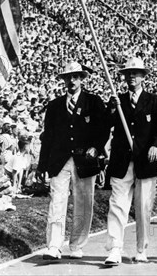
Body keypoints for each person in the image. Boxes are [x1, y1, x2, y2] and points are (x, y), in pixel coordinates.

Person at [37, 61, 109, 260]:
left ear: (82, 79)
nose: (72, 81)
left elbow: (103, 128)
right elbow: (48, 137)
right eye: (68, 77)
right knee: (57, 202)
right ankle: (53, 245)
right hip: (59, 160)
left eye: (75, 77)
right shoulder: (54, 106)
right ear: (63, 80)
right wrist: (42, 165)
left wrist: (96, 147)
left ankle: (76, 244)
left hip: (85, 159)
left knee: (83, 203)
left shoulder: (93, 102)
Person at [103, 57, 157, 265]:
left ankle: (142, 248)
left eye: (136, 73)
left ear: (143, 77)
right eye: (128, 73)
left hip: (145, 160)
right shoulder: (117, 100)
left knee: (143, 208)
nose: (132, 76)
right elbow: (107, 124)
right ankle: (115, 248)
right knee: (117, 204)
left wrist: (156, 146)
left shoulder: (155, 101)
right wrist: (112, 109)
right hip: (122, 160)